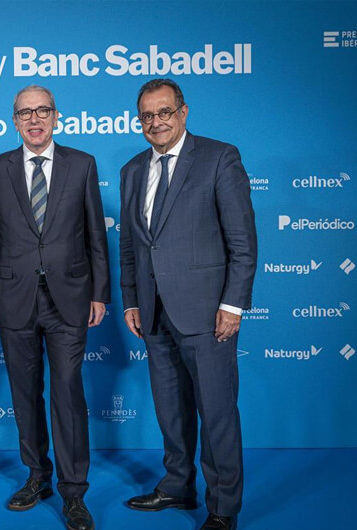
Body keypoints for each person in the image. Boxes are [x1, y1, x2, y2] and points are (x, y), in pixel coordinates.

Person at [119, 79, 257, 530]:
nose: (155, 122)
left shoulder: (220, 157)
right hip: (154, 313)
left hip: (206, 312)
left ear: (183, 112)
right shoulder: (133, 170)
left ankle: (223, 508)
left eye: (164, 112)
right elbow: (130, 246)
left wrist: (233, 305)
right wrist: (132, 301)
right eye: (147, 116)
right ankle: (178, 486)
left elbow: (242, 242)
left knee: (217, 413)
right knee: (171, 410)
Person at [0, 85, 110, 530]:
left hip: (70, 298)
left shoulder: (82, 164)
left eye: (42, 111)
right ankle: (37, 475)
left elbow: (96, 234)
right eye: (25, 113)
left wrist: (100, 293)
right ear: (14, 121)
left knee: (68, 394)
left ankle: (74, 492)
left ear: (57, 116)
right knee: (24, 394)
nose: (34, 120)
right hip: (13, 299)